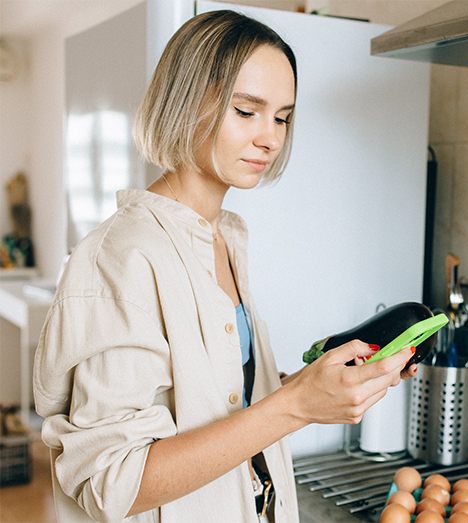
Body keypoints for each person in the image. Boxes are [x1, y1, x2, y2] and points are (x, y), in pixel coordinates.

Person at [33, 10, 418, 523]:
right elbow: (112, 482)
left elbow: (216, 404)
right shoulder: (122, 257)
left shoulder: (223, 237)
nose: (271, 138)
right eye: (246, 111)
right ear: (184, 101)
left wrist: (312, 387)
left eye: (282, 117)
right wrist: (295, 406)